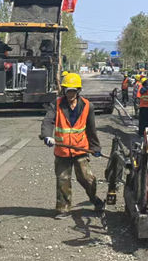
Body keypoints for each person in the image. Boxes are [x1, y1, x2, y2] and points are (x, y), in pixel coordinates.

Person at [40, 72, 103, 219]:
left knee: (87, 178)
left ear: (78, 90)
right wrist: (47, 135)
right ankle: (63, 209)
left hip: (80, 149)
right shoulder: (56, 104)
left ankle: (95, 200)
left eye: (73, 90)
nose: (70, 94)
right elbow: (48, 121)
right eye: (68, 90)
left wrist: (95, 147)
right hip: (62, 150)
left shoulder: (88, 106)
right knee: (63, 179)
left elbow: (91, 128)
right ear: (64, 90)